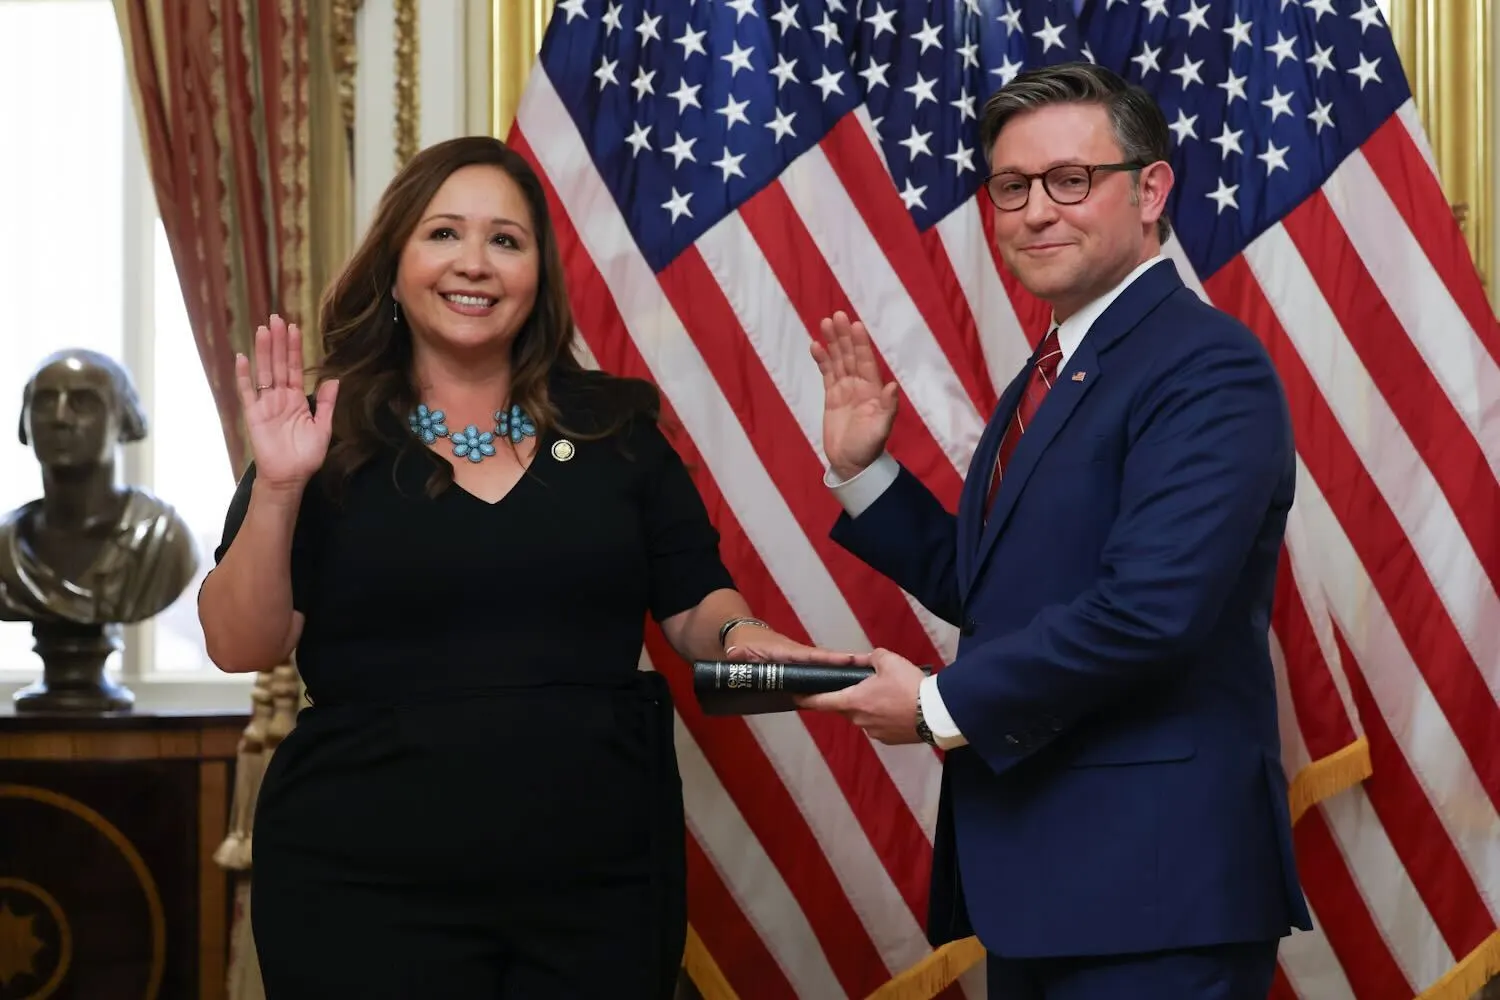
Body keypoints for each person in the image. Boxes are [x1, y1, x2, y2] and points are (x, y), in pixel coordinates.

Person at [197, 135, 850, 999]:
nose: (475, 262)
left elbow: (698, 607)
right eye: (443, 234)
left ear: (538, 276)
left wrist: (761, 647)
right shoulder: (326, 437)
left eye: (506, 240)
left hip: (595, 890)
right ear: (393, 267)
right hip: (359, 886)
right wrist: (279, 488)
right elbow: (242, 643)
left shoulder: (615, 430)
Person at [797, 63, 1312, 999]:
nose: (1036, 212)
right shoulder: (1058, 365)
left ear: (1151, 188)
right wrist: (869, 471)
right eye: (1011, 187)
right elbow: (999, 589)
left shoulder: (1205, 367)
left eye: (1071, 180)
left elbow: (1150, 611)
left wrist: (934, 706)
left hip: (1156, 895)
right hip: (1047, 878)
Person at [1, 348, 196, 626]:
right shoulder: (7, 547)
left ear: (124, 419)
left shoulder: (163, 540)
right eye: (44, 401)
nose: (60, 417)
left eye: (83, 402)